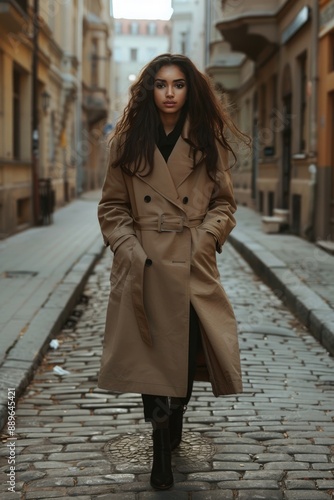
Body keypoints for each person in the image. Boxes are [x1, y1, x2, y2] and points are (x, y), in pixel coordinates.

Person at [97, 53, 249, 490]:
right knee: (149, 358)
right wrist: (126, 244)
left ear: (189, 89)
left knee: (182, 359)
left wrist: (205, 238)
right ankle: (160, 448)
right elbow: (112, 206)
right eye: (161, 85)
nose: (169, 93)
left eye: (178, 84)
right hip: (142, 263)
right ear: (149, 90)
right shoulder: (126, 142)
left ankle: (176, 413)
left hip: (188, 261)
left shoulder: (206, 139)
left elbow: (224, 203)